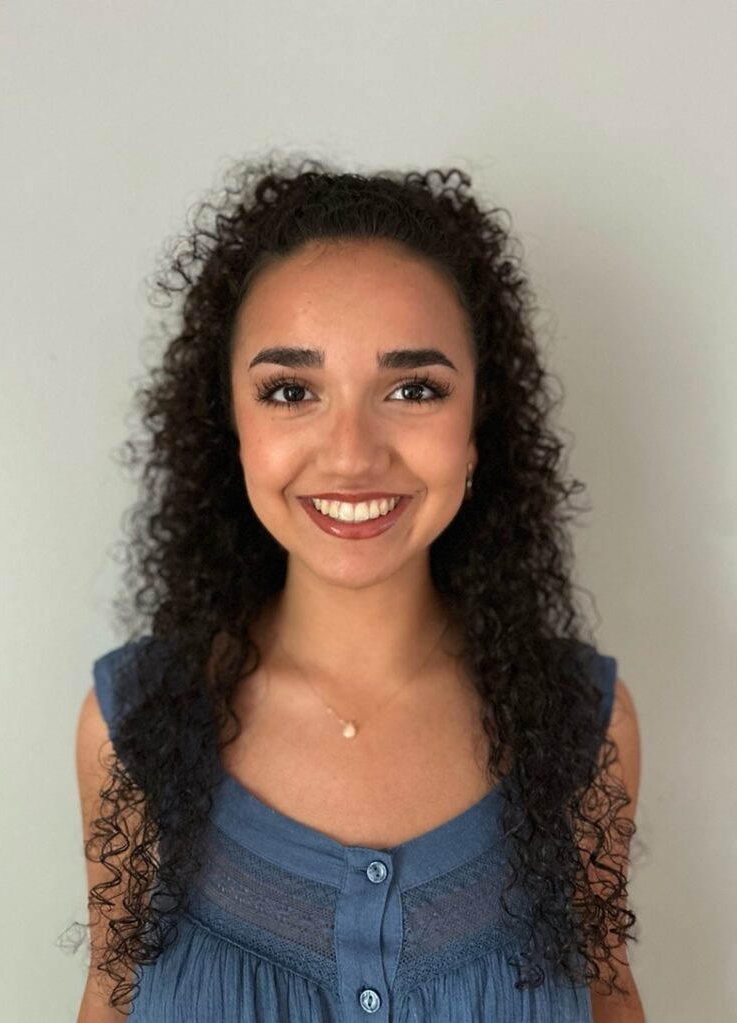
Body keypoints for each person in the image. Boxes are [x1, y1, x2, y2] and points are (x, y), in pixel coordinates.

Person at [74, 156, 644, 1021]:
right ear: (229, 423)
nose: (350, 452)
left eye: (413, 388)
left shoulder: (583, 729)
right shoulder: (135, 729)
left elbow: (610, 995)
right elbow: (106, 1001)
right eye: (291, 390)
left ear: (477, 426)